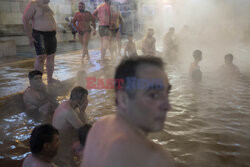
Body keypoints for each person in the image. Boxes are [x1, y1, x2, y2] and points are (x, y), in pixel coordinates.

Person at [82, 56, 174, 167]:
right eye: (153, 95)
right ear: (123, 99)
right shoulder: (153, 158)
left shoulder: (100, 126)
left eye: (166, 93)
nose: (168, 106)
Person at [23, 0, 58, 84]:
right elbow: (25, 19)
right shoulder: (33, 4)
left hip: (52, 34)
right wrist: (30, 37)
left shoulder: (46, 5)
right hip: (40, 34)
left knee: (51, 57)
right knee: (41, 57)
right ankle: (38, 81)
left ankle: (50, 79)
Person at [52, 87, 88, 166]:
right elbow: (83, 129)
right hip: (62, 139)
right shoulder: (67, 111)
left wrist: (82, 111)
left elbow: (82, 124)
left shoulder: (68, 104)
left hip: (64, 135)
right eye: (85, 99)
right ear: (79, 99)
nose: (87, 101)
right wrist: (83, 111)